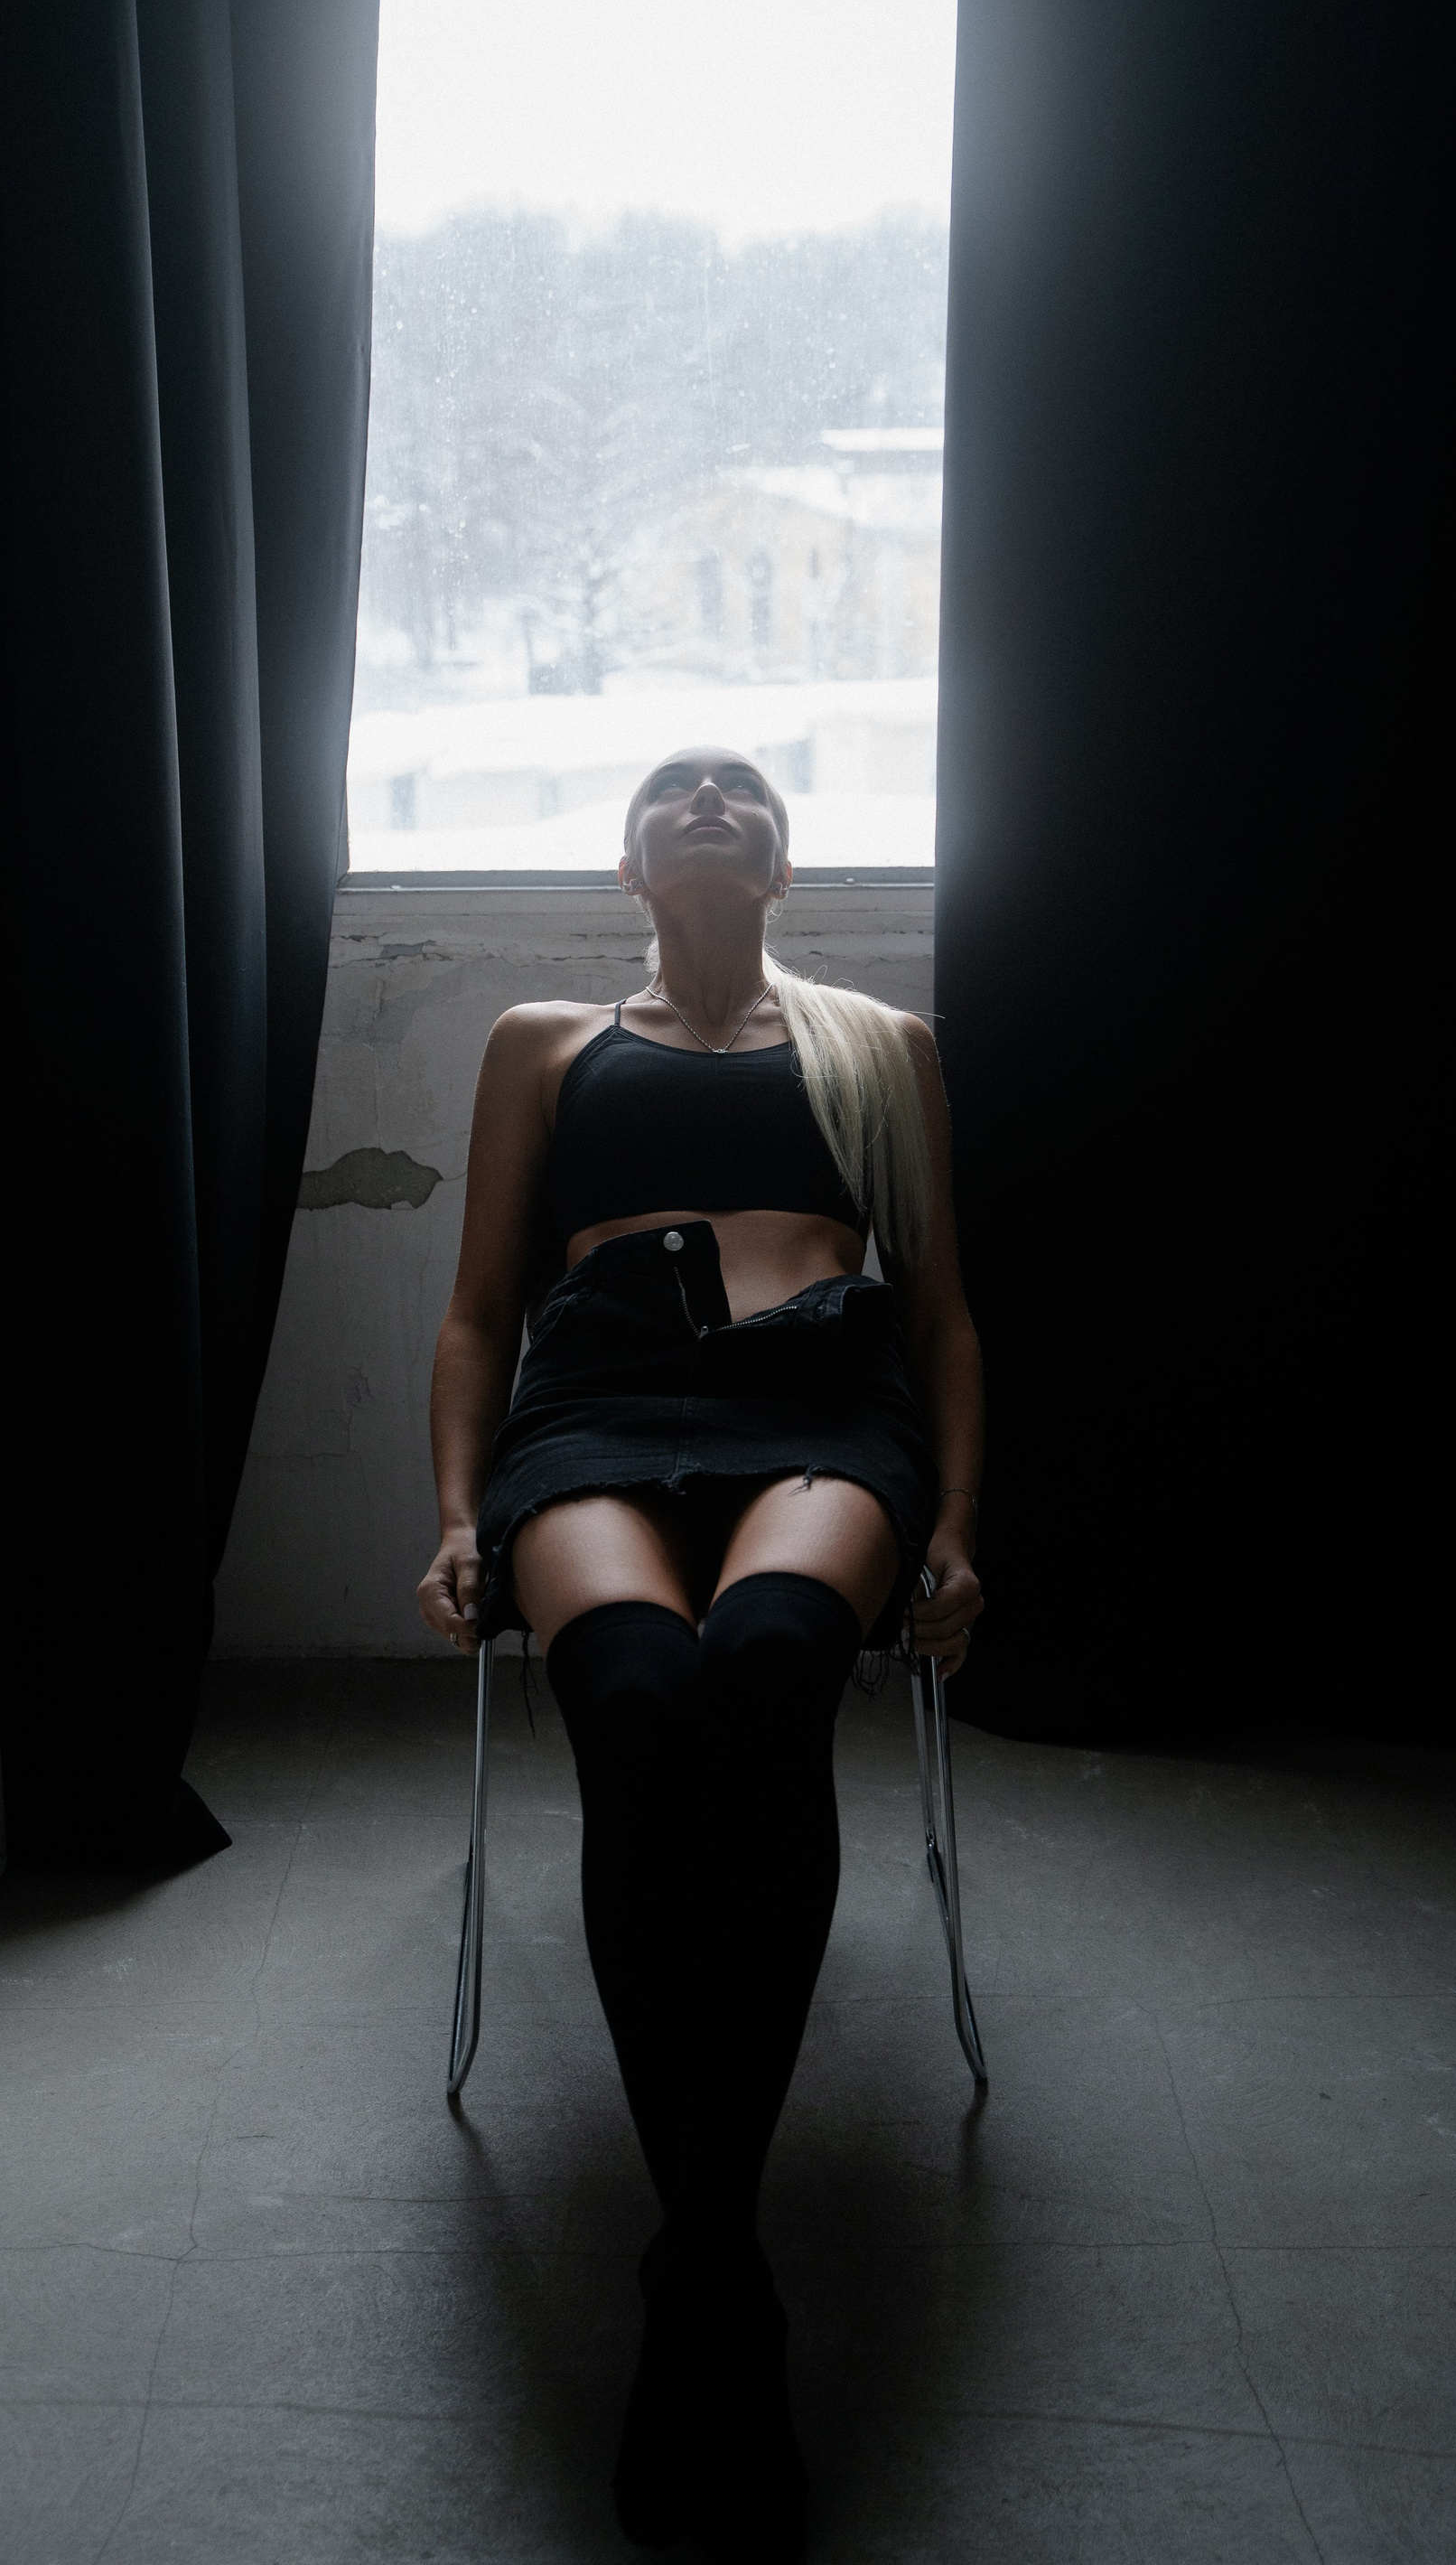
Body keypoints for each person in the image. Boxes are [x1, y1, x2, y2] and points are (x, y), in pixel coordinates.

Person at [417, 748, 984, 2560]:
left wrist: (956, 1527)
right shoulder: (546, 1042)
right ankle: (716, 2256)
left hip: (821, 1393)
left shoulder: (878, 1046)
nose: (715, 798)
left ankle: (707, 2259)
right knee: (641, 1699)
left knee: (765, 1667)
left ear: (785, 865)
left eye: (745, 789)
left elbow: (943, 1318)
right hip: (598, 1393)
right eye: (678, 788)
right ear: (630, 865)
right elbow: (479, 1315)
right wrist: (460, 1516)